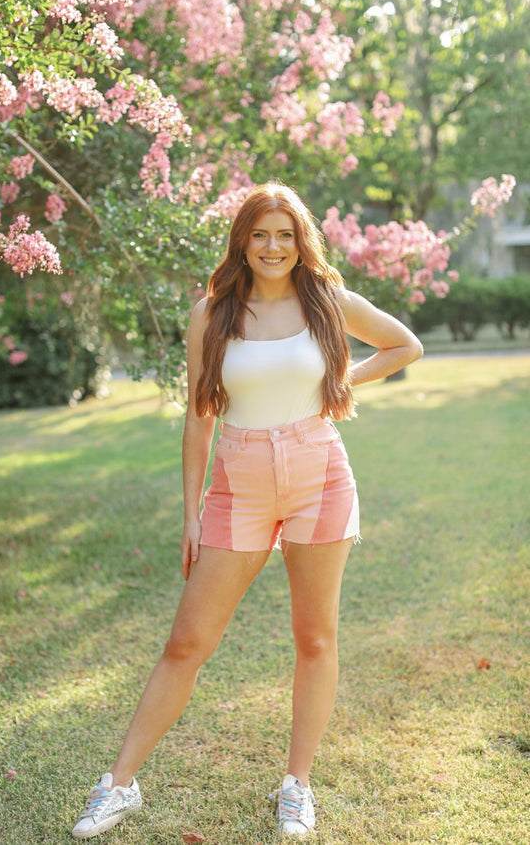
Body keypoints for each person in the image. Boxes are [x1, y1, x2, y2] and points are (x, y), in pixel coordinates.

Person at [71, 182, 423, 839]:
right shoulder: (213, 312)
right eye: (260, 233)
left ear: (300, 242)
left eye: (285, 235)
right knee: (186, 641)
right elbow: (200, 418)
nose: (273, 246)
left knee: (315, 637)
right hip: (238, 484)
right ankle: (118, 784)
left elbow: (406, 345)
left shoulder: (324, 300)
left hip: (319, 474)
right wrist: (191, 512)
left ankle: (297, 784)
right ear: (243, 240)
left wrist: (342, 380)